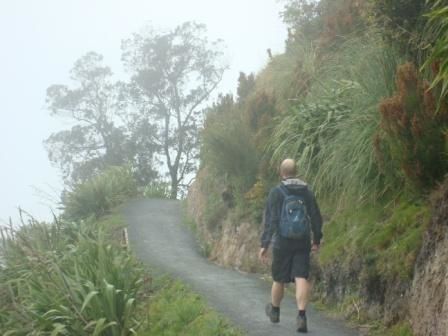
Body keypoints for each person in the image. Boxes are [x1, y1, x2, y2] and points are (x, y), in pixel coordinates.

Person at [259, 158, 323, 333]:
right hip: (302, 241)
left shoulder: (276, 192)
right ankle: (301, 316)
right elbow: (316, 218)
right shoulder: (306, 192)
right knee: (301, 276)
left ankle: (275, 310)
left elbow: (271, 221)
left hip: (282, 241)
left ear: (282, 172)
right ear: (296, 172)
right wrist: (316, 239)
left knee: (279, 278)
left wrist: (264, 244)